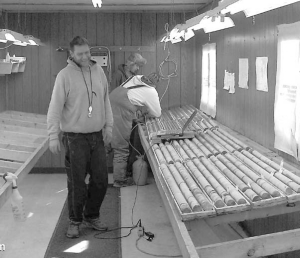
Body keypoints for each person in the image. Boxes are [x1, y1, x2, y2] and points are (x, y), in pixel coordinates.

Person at [47, 36, 113, 238]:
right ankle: (75, 221)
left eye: (87, 52)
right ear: (71, 54)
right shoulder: (64, 76)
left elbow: (105, 100)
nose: (85, 56)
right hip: (74, 138)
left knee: (101, 180)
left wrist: (109, 126)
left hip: (96, 136)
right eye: (80, 53)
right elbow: (55, 107)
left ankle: (91, 215)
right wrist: (53, 135)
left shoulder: (99, 71)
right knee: (76, 183)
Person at [110, 73, 162, 187]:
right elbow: (157, 113)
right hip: (120, 111)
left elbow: (131, 97)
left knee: (108, 139)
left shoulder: (136, 78)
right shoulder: (151, 91)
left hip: (110, 103)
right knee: (121, 145)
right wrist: (146, 116)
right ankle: (119, 180)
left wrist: (135, 112)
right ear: (154, 84)